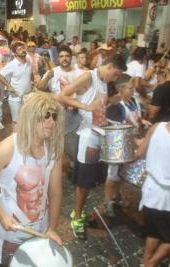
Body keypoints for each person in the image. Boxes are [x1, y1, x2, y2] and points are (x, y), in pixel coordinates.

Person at [0, 92, 65, 266]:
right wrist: (1, 215)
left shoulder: (53, 151)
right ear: (31, 117)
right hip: (13, 230)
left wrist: (52, 228)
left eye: (54, 116)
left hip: (41, 226)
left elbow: (55, 192)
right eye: (45, 115)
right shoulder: (9, 148)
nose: (51, 121)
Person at [58, 54, 127, 239]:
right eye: (117, 74)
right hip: (88, 137)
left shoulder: (104, 82)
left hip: (99, 135)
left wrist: (111, 103)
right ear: (110, 66)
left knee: (91, 182)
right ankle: (77, 217)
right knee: (84, 183)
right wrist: (86, 107)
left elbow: (99, 106)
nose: (116, 78)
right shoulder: (89, 76)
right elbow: (62, 96)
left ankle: (79, 212)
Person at [136, 93, 170, 267]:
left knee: (153, 232)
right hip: (169, 199)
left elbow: (140, 153)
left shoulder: (157, 126)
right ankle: (151, 264)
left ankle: (145, 262)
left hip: (149, 190)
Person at [103, 74, 152, 217]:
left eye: (133, 88)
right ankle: (107, 202)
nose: (133, 91)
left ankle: (117, 197)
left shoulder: (134, 101)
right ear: (121, 90)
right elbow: (116, 130)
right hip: (118, 143)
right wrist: (135, 141)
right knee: (112, 174)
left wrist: (142, 121)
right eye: (129, 89)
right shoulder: (115, 107)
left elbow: (137, 117)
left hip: (132, 140)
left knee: (122, 172)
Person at [0, 41, 32, 124]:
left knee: (27, 120)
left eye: (23, 48)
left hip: (27, 96)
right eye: (19, 49)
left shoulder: (29, 63)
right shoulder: (12, 64)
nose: (23, 50)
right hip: (15, 97)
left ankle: (25, 136)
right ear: (15, 54)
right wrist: (8, 86)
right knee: (16, 121)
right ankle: (15, 136)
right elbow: (0, 75)